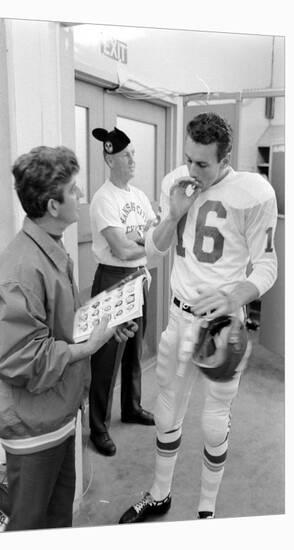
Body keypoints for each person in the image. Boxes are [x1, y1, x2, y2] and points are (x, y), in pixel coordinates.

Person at [119, 112, 278, 523]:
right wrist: (173, 213)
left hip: (221, 325)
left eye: (203, 163)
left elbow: (267, 266)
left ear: (225, 158)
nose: (192, 169)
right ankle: (159, 494)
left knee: (213, 420)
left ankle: (206, 509)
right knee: (168, 410)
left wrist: (234, 296)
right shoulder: (177, 180)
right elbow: (153, 253)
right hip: (178, 316)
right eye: (188, 158)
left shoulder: (253, 192)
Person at [0, 145, 137, 531]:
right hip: (33, 426)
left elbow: (57, 325)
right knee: (30, 525)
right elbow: (18, 358)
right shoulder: (22, 268)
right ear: (53, 206)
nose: (81, 197)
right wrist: (88, 347)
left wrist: (103, 326)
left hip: (57, 412)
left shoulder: (50, 248)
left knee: (57, 522)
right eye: (74, 190)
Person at [88, 127, 156, 456]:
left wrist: (141, 249)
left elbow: (153, 237)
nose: (132, 160)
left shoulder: (138, 196)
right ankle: (98, 428)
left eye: (133, 154)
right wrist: (144, 244)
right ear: (109, 158)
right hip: (113, 279)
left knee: (134, 350)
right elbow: (121, 250)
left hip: (138, 277)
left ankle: (131, 407)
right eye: (126, 155)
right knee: (106, 358)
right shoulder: (104, 199)